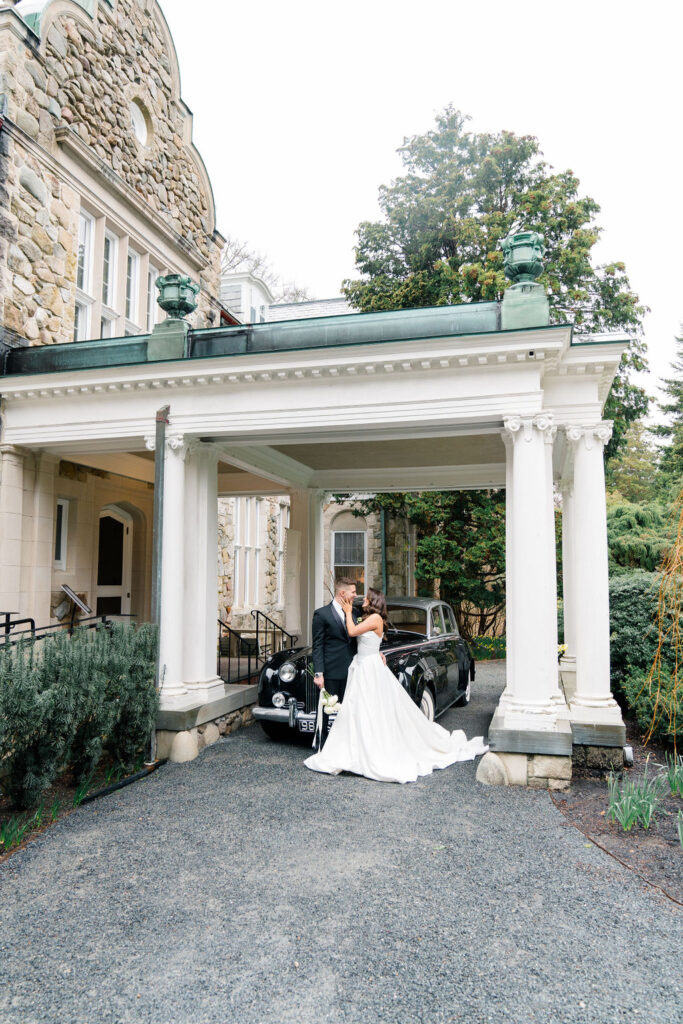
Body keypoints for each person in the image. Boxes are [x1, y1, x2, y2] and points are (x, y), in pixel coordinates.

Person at [305, 586, 488, 783]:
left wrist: (350, 614)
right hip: (361, 665)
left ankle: (373, 749)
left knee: (371, 709)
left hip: (368, 667)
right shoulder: (364, 616)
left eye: (366, 598)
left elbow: (351, 631)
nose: (361, 599)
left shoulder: (373, 618)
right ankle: (353, 747)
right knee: (358, 708)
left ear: (373, 601)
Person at [310, 577, 359, 748]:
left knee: (348, 711)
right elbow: (317, 645)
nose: (355, 595)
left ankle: (344, 746)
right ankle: (321, 746)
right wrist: (319, 673)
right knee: (325, 711)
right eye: (353, 592)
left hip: (352, 671)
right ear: (342, 593)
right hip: (330, 672)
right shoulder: (321, 614)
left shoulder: (354, 613)